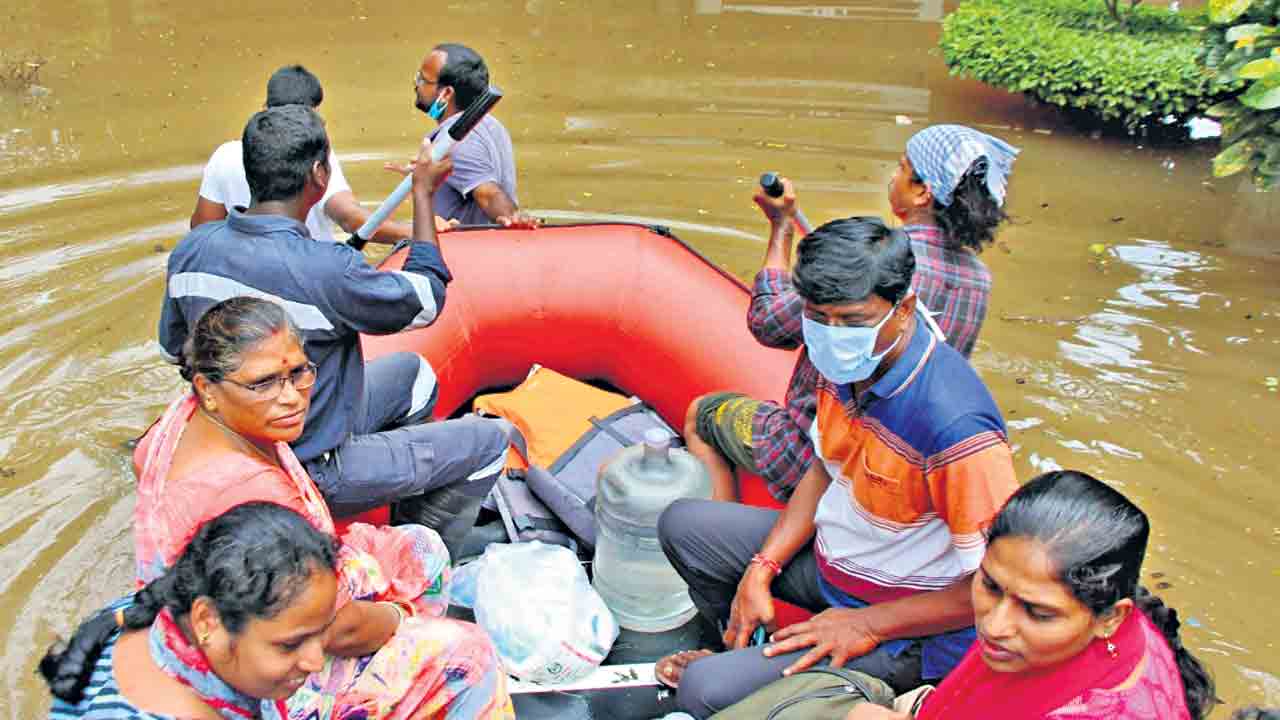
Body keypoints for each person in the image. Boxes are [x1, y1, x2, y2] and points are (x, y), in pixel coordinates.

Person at [655, 217, 1020, 718]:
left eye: (851, 320)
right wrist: (761, 570)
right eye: (818, 316)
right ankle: (739, 647)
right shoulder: (844, 366)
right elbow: (824, 469)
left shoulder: (957, 431)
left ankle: (829, 683)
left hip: (907, 625)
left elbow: (993, 589)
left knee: (702, 691)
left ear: (904, 308)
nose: (832, 334)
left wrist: (867, 624)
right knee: (683, 526)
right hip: (837, 561)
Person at [159, 105, 512, 548]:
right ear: (319, 176)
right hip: (309, 462)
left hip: (241, 442)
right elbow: (425, 299)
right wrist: (423, 194)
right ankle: (426, 556)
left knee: (414, 376)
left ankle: (391, 503)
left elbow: (175, 349)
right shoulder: (328, 270)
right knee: (490, 442)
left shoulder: (192, 251)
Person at [686, 124, 1017, 501]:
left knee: (703, 414)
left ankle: (719, 519)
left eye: (901, 168)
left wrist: (781, 228)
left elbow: (768, 323)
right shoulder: (978, 280)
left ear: (923, 191)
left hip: (817, 452)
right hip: (896, 461)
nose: (893, 178)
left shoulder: (872, 263)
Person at [42, 502, 513, 719]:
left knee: (418, 551)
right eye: (291, 643)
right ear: (208, 621)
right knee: (467, 658)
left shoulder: (151, 610)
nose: (313, 661)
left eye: (318, 633)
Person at [840, 470, 1216, 720]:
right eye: (990, 585)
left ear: (1112, 618)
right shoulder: (1098, 623)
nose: (994, 625)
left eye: (1037, 613)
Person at [190, 64, 441, 245]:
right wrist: (419, 232)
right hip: (312, 276)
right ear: (311, 116)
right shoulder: (315, 156)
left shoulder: (225, 155)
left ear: (265, 108)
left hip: (245, 277)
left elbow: (202, 230)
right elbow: (351, 219)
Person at [413, 43, 534, 227]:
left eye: (423, 79)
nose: (416, 84)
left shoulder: (456, 139)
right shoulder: (492, 124)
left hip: (459, 249)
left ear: (446, 93)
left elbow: (488, 194)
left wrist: (511, 218)